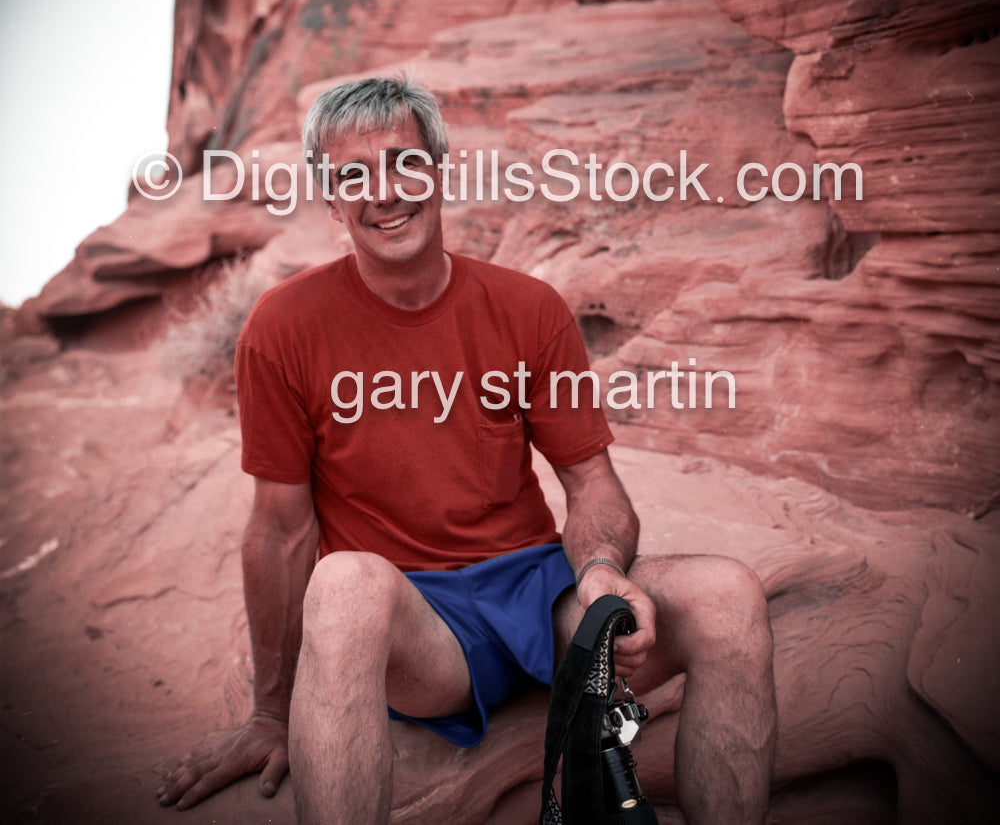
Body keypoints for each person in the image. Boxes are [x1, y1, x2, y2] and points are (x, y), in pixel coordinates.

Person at [157, 76, 776, 823]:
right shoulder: (284, 325)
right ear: (329, 200)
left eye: (402, 162)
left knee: (728, 596)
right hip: (421, 627)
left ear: (440, 168)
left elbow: (590, 482)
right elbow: (281, 528)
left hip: (540, 594)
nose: (383, 191)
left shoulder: (527, 307)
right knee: (346, 582)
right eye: (352, 174)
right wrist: (270, 711)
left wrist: (603, 571)